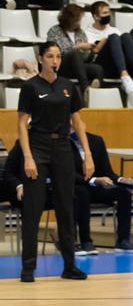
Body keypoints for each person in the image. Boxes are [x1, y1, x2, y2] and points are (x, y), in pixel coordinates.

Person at [16, 42, 92, 283]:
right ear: (40, 59)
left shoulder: (68, 86)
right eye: (50, 56)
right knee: (33, 208)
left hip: (62, 148)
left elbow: (78, 123)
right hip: (37, 146)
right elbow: (21, 124)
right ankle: (28, 268)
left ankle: (70, 266)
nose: (55, 60)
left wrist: (87, 154)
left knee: (66, 208)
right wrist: (28, 157)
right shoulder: (30, 87)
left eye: (58, 56)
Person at [71, 130, 133, 253]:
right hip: (74, 187)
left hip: (96, 187)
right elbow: (68, 174)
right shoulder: (61, 143)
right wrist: (95, 180)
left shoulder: (96, 141)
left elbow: (107, 172)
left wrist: (123, 180)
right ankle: (86, 241)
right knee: (82, 192)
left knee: (124, 192)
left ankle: (123, 241)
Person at [83, 1, 133, 96]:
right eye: (104, 13)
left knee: (125, 35)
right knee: (113, 37)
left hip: (118, 65)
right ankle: (124, 77)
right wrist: (105, 40)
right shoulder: (86, 33)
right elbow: (91, 54)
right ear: (96, 16)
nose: (108, 15)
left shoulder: (115, 30)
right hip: (101, 66)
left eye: (109, 12)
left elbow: (124, 50)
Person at [45, 4, 104, 92]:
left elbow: (84, 58)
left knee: (97, 69)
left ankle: (94, 92)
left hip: (77, 67)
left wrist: (90, 51)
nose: (78, 23)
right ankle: (85, 89)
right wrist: (77, 46)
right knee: (74, 54)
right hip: (60, 66)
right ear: (69, 19)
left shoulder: (80, 33)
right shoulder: (54, 31)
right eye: (77, 20)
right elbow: (54, 53)